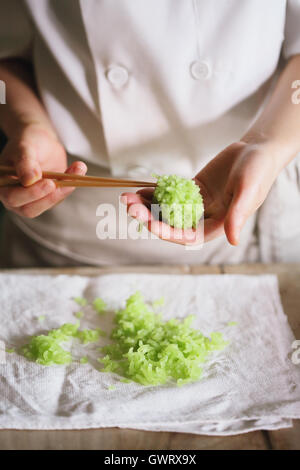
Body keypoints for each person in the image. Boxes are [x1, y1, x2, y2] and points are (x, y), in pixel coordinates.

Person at [0, 0, 300, 268]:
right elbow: (5, 57)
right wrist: (29, 125)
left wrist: (266, 145)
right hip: (67, 208)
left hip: (237, 202)